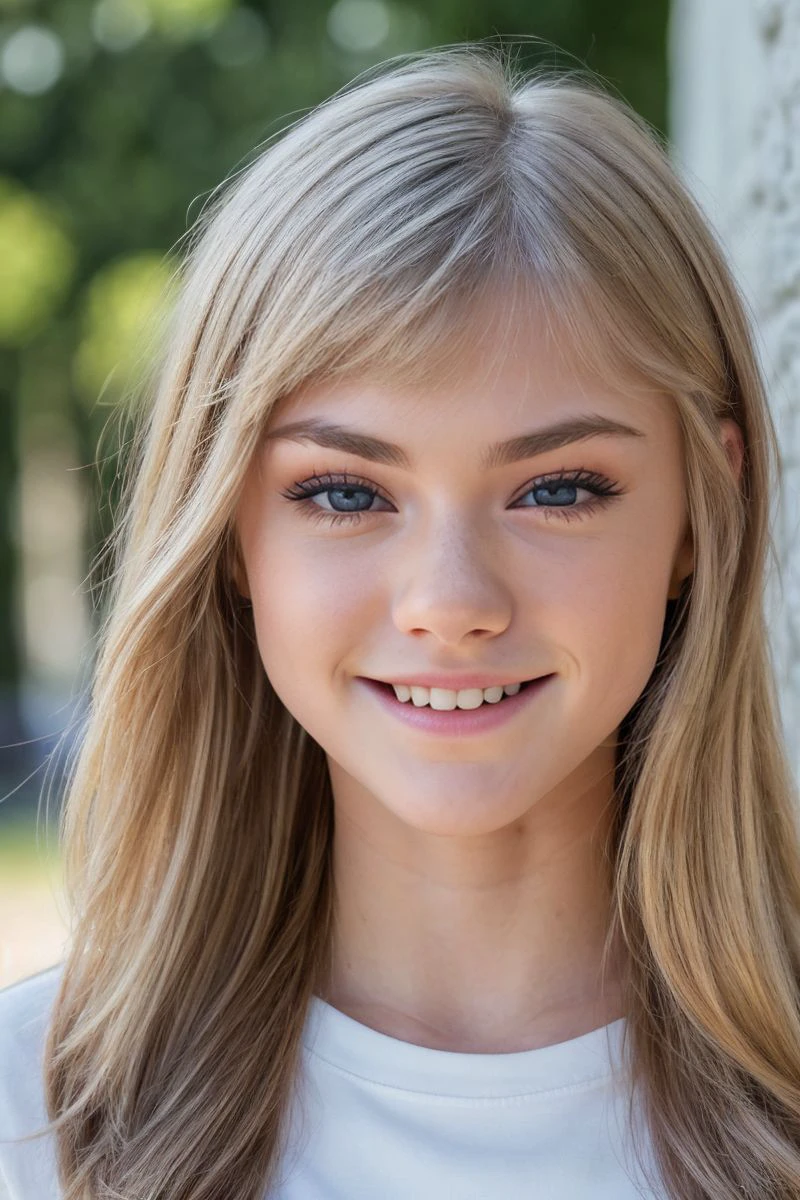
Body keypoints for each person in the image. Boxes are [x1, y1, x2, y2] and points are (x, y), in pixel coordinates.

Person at [1, 41, 800, 1200]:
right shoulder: (33, 1121)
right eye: (343, 494)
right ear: (230, 532)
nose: (449, 603)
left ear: (701, 509)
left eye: (557, 489)